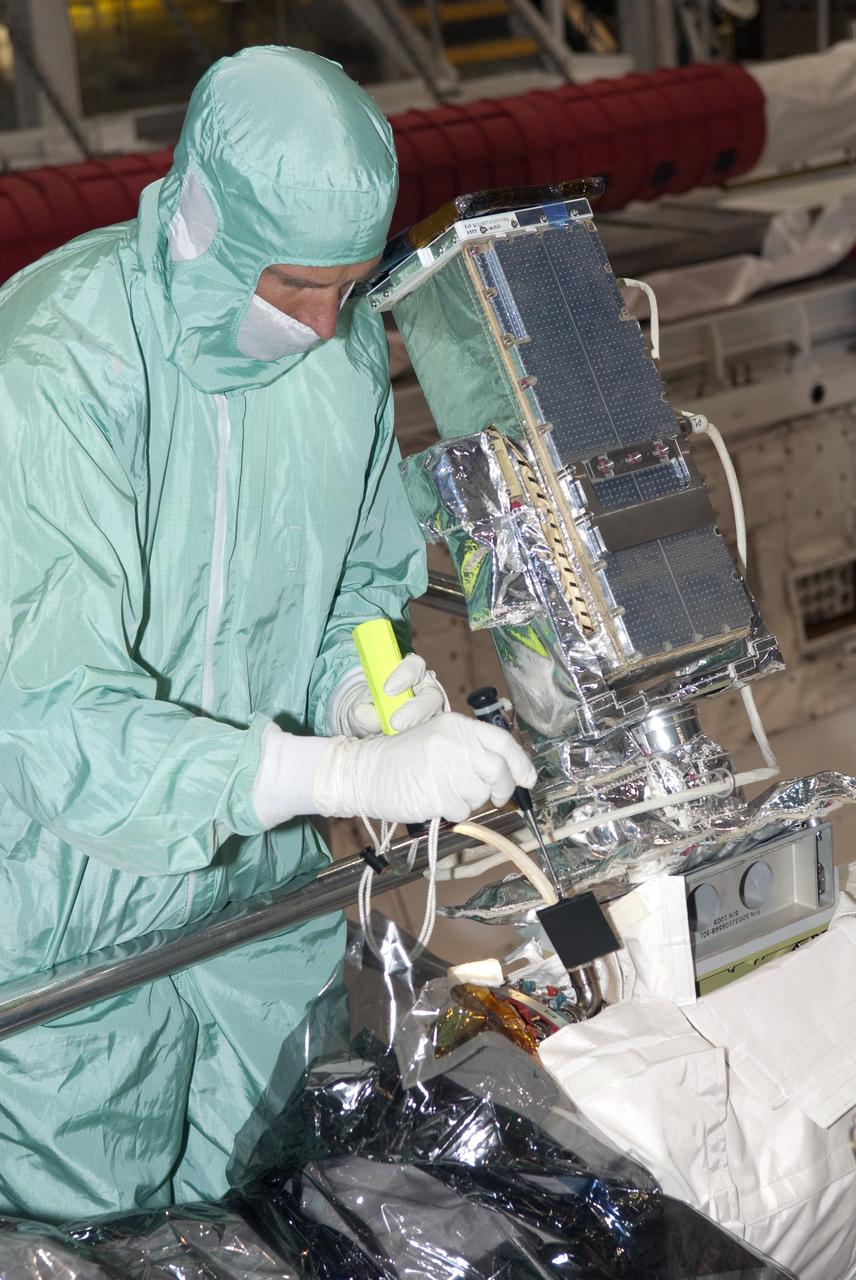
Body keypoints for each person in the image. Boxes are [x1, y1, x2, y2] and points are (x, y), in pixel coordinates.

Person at [0, 45, 535, 1221]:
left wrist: (372, 694)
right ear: (206, 226)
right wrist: (336, 773)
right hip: (67, 927)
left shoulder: (336, 348)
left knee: (274, 1197)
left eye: (349, 285)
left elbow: (351, 586)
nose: (321, 321)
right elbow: (53, 716)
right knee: (89, 1236)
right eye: (294, 286)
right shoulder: (51, 369)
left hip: (260, 904)